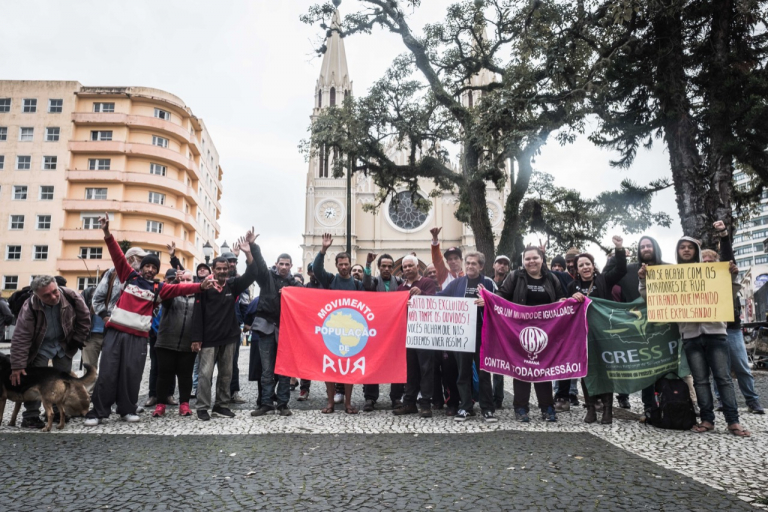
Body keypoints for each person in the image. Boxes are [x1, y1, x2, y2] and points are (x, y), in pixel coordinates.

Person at [84, 214, 213, 426]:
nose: (150, 269)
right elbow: (116, 254)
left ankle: (126, 409)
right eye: (147, 266)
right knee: (107, 372)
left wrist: (200, 286)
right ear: (141, 267)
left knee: (131, 374)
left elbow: (181, 287)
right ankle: (98, 412)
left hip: (138, 337)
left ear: (156, 271)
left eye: (154, 267)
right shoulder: (129, 276)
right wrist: (107, 233)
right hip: (116, 333)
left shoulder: (158, 288)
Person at [639, 233, 750, 437]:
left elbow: (729, 293)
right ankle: (707, 420)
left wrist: (732, 276)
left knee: (723, 378)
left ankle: (733, 421)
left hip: (716, 333)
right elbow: (652, 299)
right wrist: (643, 281)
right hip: (690, 336)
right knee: (700, 380)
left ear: (696, 250)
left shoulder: (712, 272)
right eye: (683, 247)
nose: (687, 250)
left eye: (690, 247)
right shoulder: (672, 275)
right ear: (678, 252)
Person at [192, 232, 258, 421]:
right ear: (213, 269)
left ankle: (221, 405)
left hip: (229, 337)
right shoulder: (204, 287)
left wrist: (248, 252)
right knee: (205, 374)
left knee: (226, 374)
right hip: (208, 339)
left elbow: (252, 274)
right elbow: (197, 315)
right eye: (218, 268)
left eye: (225, 269)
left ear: (229, 270)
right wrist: (196, 338)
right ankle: (203, 407)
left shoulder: (233, 285)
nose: (222, 271)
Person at [10, 275, 91, 429]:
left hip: (63, 344)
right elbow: (21, 336)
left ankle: (58, 412)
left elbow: (85, 318)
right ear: (37, 295)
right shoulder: (30, 307)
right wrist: (18, 365)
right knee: (33, 381)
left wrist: (78, 339)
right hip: (40, 346)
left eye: (55, 292)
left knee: (62, 381)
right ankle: (31, 416)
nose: (53, 297)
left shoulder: (71, 296)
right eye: (46, 295)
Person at [498, 246, 563, 422]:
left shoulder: (552, 278)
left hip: (546, 332)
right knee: (522, 369)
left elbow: (560, 300)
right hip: (519, 331)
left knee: (544, 368)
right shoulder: (515, 277)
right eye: (527, 259)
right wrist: (487, 300)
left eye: (535, 258)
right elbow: (501, 297)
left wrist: (565, 302)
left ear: (542, 259)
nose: (531, 262)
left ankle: (547, 407)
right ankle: (520, 408)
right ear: (523, 261)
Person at [705, 221, 764, 414]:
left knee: (741, 365)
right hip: (712, 328)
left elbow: (728, 258)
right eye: (703, 260)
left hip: (730, 327)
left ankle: (752, 400)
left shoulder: (725, 274)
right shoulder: (698, 280)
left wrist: (723, 235)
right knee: (717, 368)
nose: (706, 262)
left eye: (710, 260)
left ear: (716, 263)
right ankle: (722, 399)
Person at [568, 236, 627, 424]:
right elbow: (563, 306)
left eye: (588, 264)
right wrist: (570, 298)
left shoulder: (604, 281)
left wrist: (619, 249)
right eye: (581, 265)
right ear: (576, 270)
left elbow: (621, 269)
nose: (585, 267)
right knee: (586, 372)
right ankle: (591, 407)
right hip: (582, 335)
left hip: (603, 333)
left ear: (593, 266)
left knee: (605, 370)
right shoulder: (572, 286)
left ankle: (607, 410)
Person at [606, 235, 666, 412]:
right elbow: (608, 275)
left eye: (649, 246)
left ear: (655, 247)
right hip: (638, 327)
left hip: (664, 326)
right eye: (642, 247)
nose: (646, 249)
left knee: (665, 367)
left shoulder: (669, 269)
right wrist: (617, 252)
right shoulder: (630, 269)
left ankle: (670, 402)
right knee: (646, 369)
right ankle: (649, 407)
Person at [437, 252, 497, 422]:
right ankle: (465, 407)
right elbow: (440, 298)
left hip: (482, 333)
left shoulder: (488, 283)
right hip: (462, 334)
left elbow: (500, 301)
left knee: (483, 372)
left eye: (474, 263)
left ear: (481, 266)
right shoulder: (457, 284)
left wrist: (488, 303)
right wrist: (418, 300)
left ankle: (487, 408)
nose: (470, 266)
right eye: (468, 263)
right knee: (463, 372)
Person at [312, 233, 364, 414]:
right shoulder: (330, 280)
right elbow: (316, 269)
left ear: (350, 265)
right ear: (336, 266)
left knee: (349, 369)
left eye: (346, 264)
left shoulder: (357, 284)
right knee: (330, 369)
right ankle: (330, 403)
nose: (343, 267)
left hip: (350, 334)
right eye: (340, 264)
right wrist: (323, 250)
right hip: (332, 332)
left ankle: (348, 403)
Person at [250, 248, 304, 418]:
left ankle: (283, 404)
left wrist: (291, 294)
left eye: (287, 264)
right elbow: (259, 263)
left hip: (286, 331)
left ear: (291, 266)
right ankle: (266, 403)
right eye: (281, 264)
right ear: (276, 264)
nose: (284, 267)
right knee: (266, 370)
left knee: (285, 371)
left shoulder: (295, 284)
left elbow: (305, 297)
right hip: (266, 327)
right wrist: (253, 246)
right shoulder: (267, 278)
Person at [394, 255, 438, 418]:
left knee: (426, 369)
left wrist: (422, 294)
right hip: (407, 335)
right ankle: (409, 403)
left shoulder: (427, 282)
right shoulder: (400, 288)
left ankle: (425, 404)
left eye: (410, 266)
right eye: (404, 267)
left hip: (424, 333)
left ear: (417, 267)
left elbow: (435, 303)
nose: (407, 269)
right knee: (410, 370)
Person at [361, 252, 405, 411]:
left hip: (395, 331)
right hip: (375, 331)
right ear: (379, 268)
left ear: (393, 268)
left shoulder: (400, 283)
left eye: (389, 266)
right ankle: (370, 398)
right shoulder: (373, 281)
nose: (386, 269)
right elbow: (365, 284)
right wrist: (367, 264)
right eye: (383, 266)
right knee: (373, 363)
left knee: (397, 364)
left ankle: (396, 398)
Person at [152, 269, 198, 418]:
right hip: (166, 341)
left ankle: (184, 404)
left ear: (193, 282)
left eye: (188, 280)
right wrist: (172, 283)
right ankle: (160, 405)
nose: (185, 283)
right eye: (182, 280)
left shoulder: (198, 298)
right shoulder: (171, 294)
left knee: (185, 376)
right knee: (164, 375)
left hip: (188, 344)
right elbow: (163, 298)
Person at [491, 255, 511, 409]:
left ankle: (498, 398)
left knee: (498, 365)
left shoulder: (512, 283)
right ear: (494, 265)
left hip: (503, 328)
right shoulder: (486, 282)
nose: (502, 266)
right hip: (486, 325)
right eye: (500, 263)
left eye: (505, 264)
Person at [80, 285, 104, 395]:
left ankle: (104, 396)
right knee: (90, 368)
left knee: (110, 368)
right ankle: (87, 396)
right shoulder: (89, 292)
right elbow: (78, 311)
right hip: (91, 336)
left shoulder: (118, 293)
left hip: (111, 335)